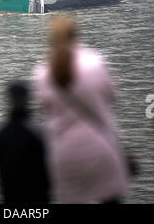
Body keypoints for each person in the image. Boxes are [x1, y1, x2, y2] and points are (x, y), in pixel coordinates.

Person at [32, 15, 129, 204]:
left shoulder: (41, 72)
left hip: (63, 155)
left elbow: (44, 109)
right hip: (100, 149)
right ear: (77, 35)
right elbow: (112, 96)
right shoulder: (95, 62)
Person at [0, 81, 50, 204]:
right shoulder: (37, 132)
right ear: (27, 99)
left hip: (10, 197)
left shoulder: (0, 135)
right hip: (38, 197)